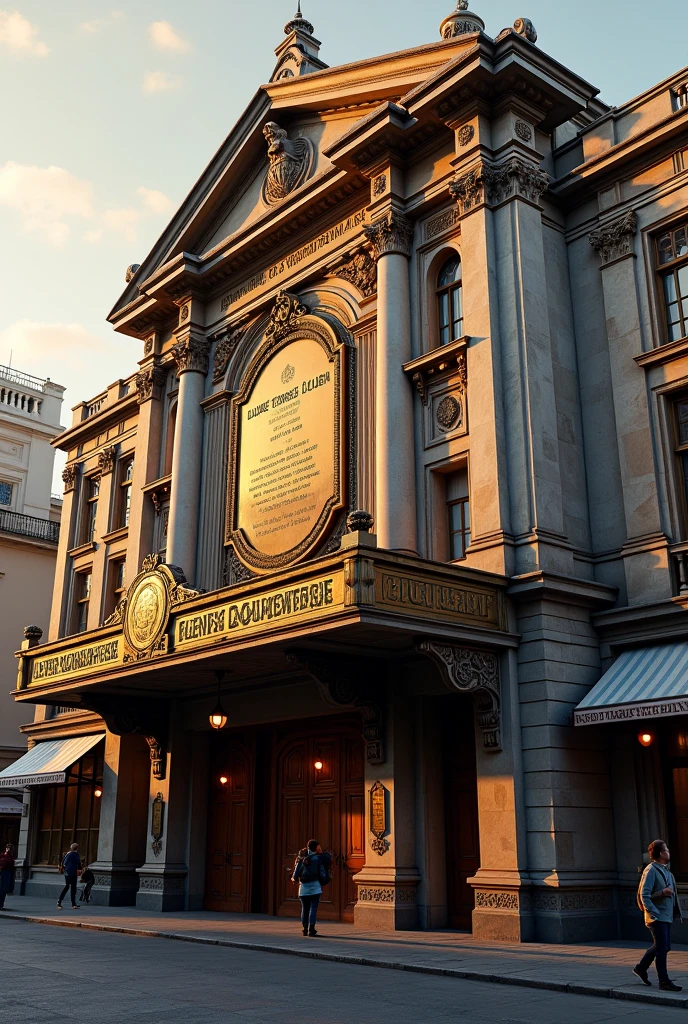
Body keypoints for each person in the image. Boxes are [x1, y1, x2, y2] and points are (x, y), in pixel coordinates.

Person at [634, 839, 683, 991]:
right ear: (661, 853)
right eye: (666, 849)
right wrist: (654, 911)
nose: (668, 852)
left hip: (665, 916)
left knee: (663, 946)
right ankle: (664, 981)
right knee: (662, 948)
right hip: (656, 917)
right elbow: (644, 895)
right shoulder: (651, 870)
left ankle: (641, 968)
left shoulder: (665, 870)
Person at [292, 839, 328, 937]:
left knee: (305, 908)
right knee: (313, 908)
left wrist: (295, 879)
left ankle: (304, 929)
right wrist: (325, 880)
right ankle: (311, 929)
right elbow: (322, 873)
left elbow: (295, 874)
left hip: (303, 888)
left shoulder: (301, 857)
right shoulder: (317, 858)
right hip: (315, 887)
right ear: (316, 847)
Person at [57, 843, 81, 910]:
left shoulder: (71, 854)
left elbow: (64, 864)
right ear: (77, 848)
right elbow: (65, 864)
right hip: (70, 873)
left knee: (71, 887)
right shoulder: (71, 854)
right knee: (69, 887)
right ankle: (62, 902)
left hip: (70, 873)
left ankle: (71, 903)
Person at [0, 843, 15, 909]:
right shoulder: (4, 856)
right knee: (3, 889)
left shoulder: (10, 856)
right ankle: (0, 904)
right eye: (7, 847)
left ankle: (1, 904)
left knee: (4, 890)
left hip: (8, 873)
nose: (8, 849)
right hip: (4, 873)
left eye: (10, 848)